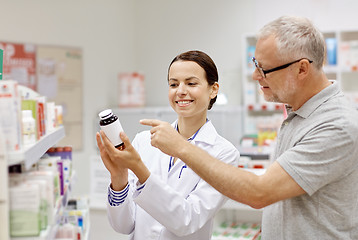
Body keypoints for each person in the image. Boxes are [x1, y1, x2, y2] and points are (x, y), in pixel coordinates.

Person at [141, 16, 358, 240]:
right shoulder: (298, 115)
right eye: (256, 64)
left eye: (264, 69)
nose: (256, 76)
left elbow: (260, 192)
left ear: (302, 69)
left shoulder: (336, 125)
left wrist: (181, 148)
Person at [96, 50, 240, 240]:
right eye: (173, 84)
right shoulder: (143, 141)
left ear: (213, 89)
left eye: (191, 83)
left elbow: (187, 220)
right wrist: (119, 176)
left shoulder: (224, 154)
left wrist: (139, 169)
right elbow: (123, 225)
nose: (180, 90)